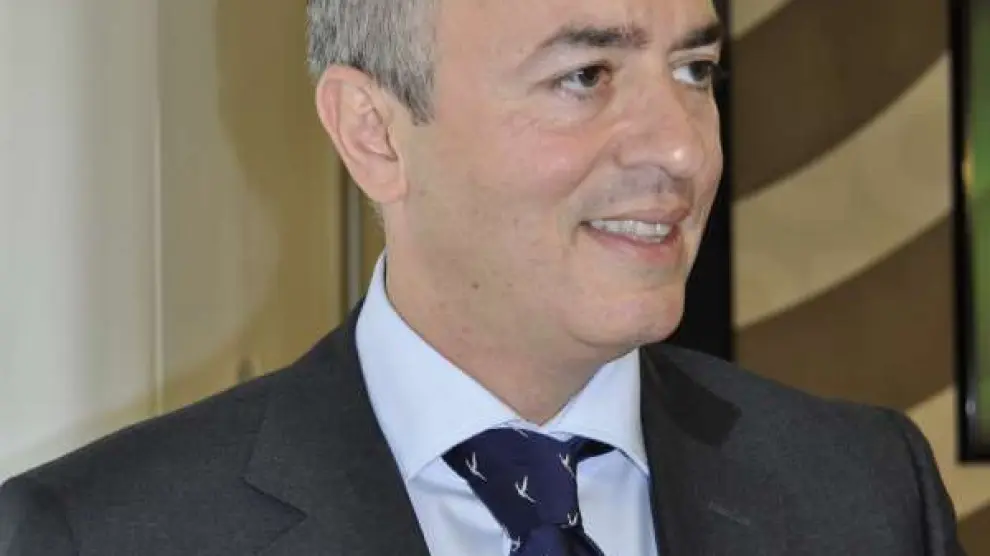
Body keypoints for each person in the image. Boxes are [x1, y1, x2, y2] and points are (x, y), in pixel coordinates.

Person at [0, 0, 966, 554]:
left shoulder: (865, 492)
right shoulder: (100, 534)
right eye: (585, 76)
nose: (683, 150)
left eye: (695, 71)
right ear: (374, 134)